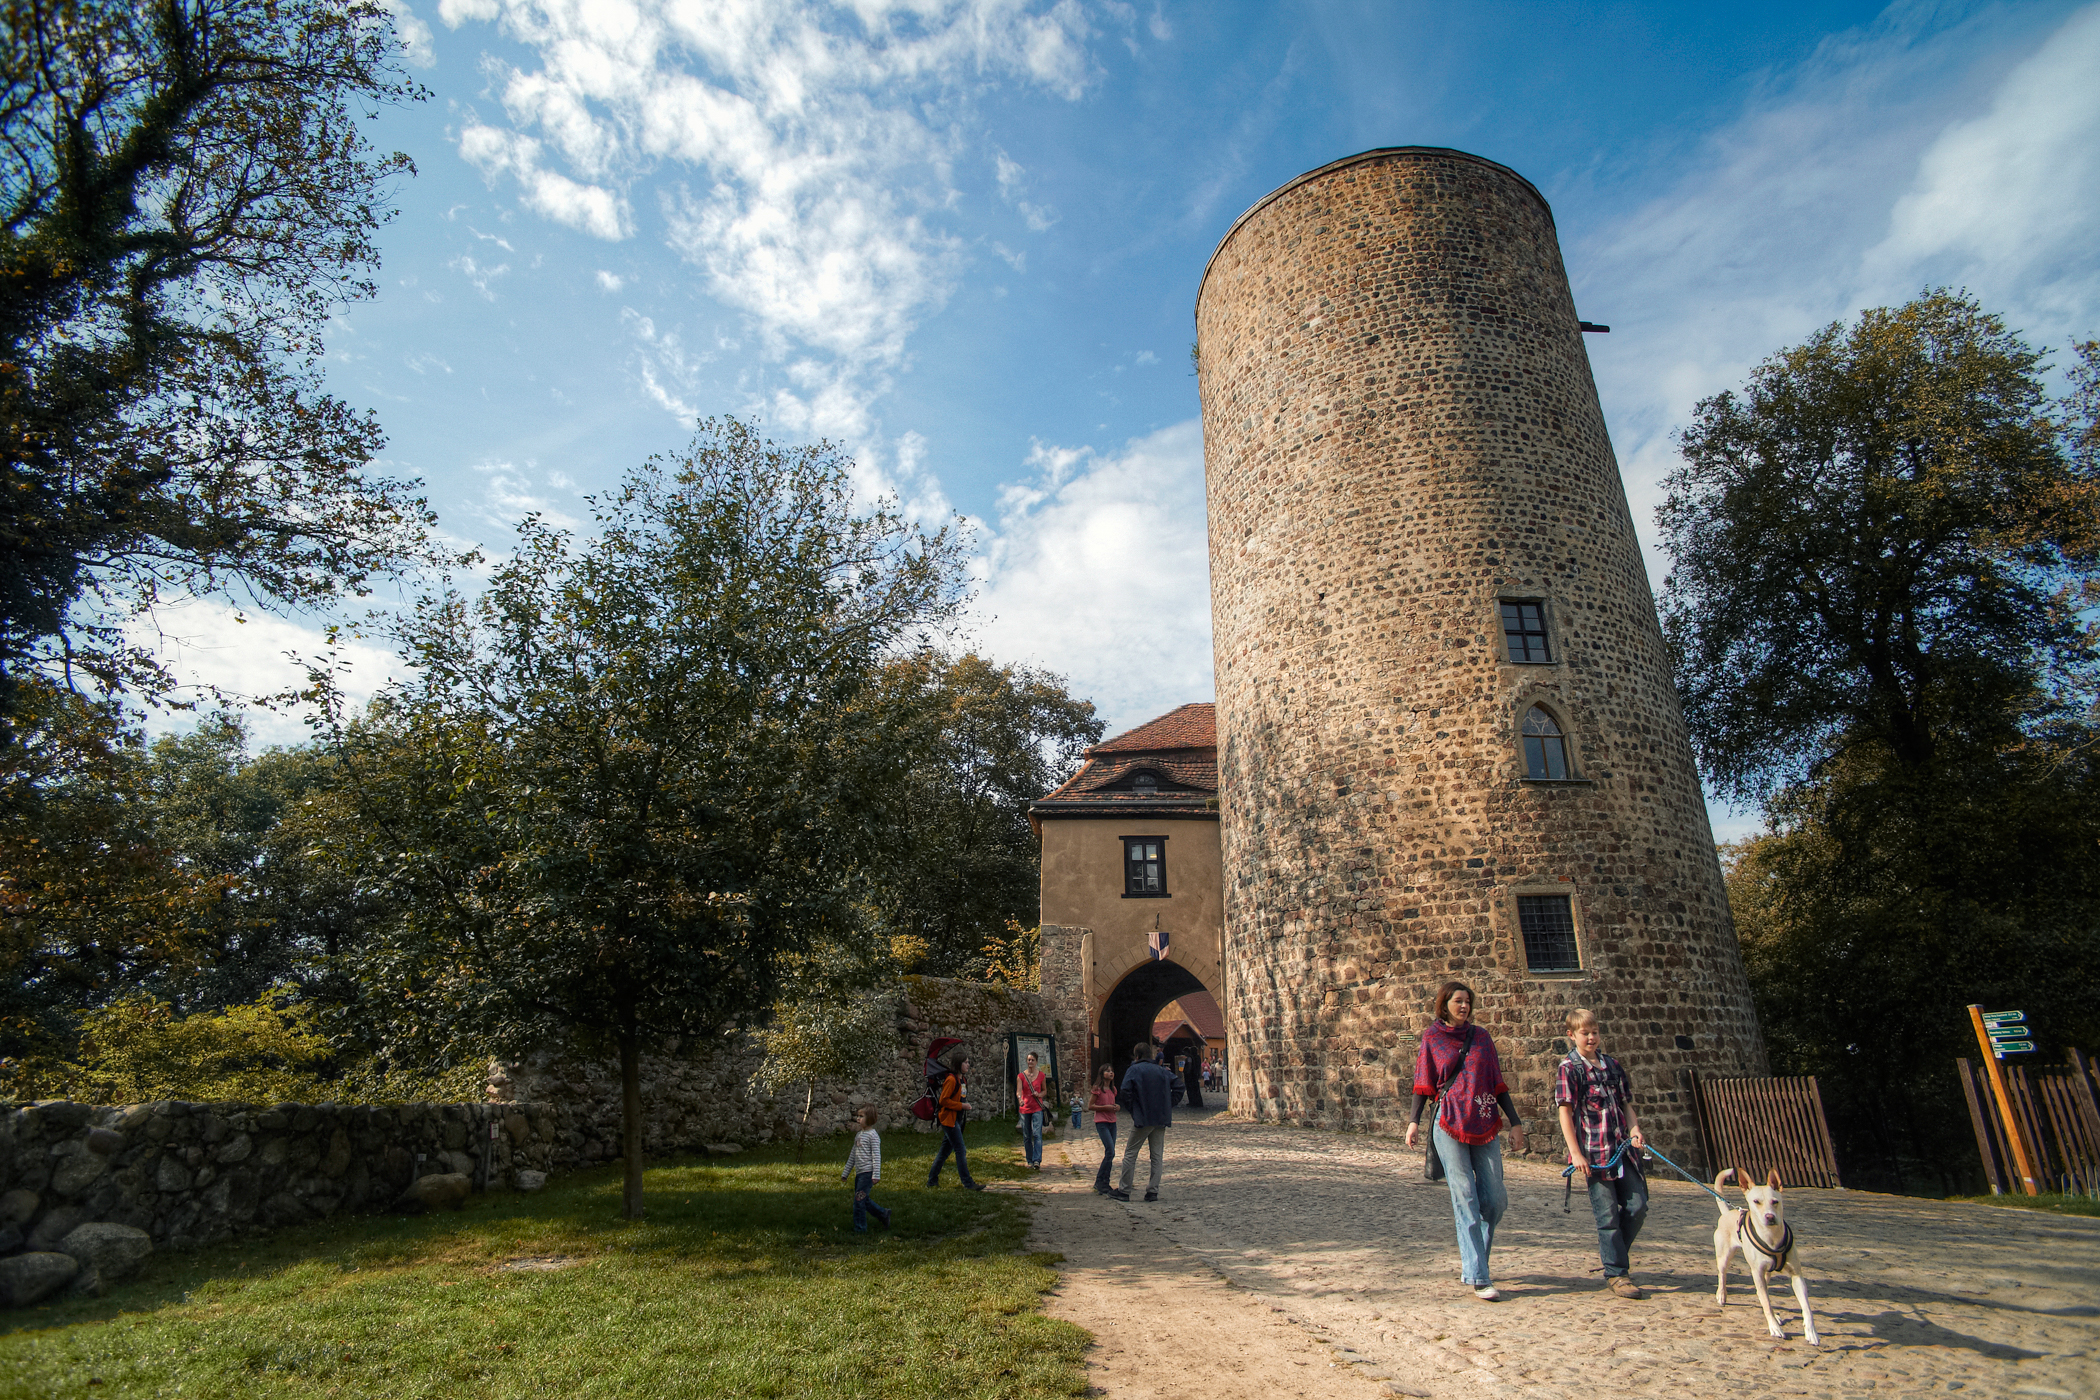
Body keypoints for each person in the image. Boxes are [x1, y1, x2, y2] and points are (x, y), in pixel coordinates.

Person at [1406, 981, 1528, 1301]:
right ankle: (1478, 1274)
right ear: (1444, 1004)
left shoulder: (1483, 1038)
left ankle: (1476, 1263)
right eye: (1457, 1001)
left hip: (1484, 1119)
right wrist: (1413, 1122)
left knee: (1494, 1199)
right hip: (1448, 1122)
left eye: (1468, 1001)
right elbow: (1423, 1082)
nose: (1464, 1006)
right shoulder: (1433, 1037)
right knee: (1464, 1196)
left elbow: (1497, 1083)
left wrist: (1515, 1123)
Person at [1555, 1008, 1649, 1299]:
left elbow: (1625, 1104)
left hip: (1622, 1149)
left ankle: (1615, 1254)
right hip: (1594, 1154)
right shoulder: (1569, 1068)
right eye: (1585, 1033)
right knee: (1607, 1216)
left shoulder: (1612, 1065)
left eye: (1595, 1032)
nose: (1592, 1037)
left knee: (1638, 1206)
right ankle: (1617, 1273)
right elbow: (1565, 1113)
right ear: (1572, 1035)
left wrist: (1635, 1130)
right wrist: (1575, 1154)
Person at [1111, 1041, 1176, 1202]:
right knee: (1156, 1156)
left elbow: (1125, 1091)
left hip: (1143, 1118)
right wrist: (1168, 1104)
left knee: (1130, 1154)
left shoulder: (1134, 1069)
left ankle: (1124, 1190)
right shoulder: (1161, 1070)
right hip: (1160, 1118)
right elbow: (1179, 1086)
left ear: (1137, 1056)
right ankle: (1153, 1191)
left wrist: (1133, 1109)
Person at [927, 1055, 984, 1190]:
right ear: (958, 1064)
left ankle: (932, 1180)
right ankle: (968, 1183)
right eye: (965, 1062)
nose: (968, 1065)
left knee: (944, 1152)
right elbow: (943, 1100)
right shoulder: (951, 1080)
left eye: (968, 1062)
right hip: (949, 1119)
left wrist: (962, 1107)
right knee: (960, 1150)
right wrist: (961, 1106)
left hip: (957, 1119)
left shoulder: (962, 1080)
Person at [842, 1106, 891, 1232]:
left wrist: (876, 1174)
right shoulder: (859, 1135)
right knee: (863, 1199)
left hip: (867, 1173)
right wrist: (845, 1173)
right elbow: (853, 1155)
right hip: (859, 1173)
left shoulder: (873, 1136)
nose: (858, 1119)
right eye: (857, 1116)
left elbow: (876, 1155)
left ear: (870, 1119)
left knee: (859, 1201)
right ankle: (883, 1214)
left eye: (861, 1116)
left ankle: (860, 1228)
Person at [1087, 1064, 1120, 1194]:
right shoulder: (1097, 1089)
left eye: (1112, 1071)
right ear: (1102, 1074)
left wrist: (1116, 1107)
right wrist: (1105, 1107)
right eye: (1107, 1071)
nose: (1110, 1073)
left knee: (1110, 1153)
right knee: (1110, 1150)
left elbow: (1113, 1104)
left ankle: (1105, 1181)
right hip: (1102, 1122)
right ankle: (1100, 1181)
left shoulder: (1113, 1090)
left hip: (1112, 1122)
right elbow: (1091, 1106)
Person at [1016, 1050, 1049, 1171]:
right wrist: (1020, 1099)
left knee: (1037, 1133)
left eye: (1032, 1060)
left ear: (1036, 1062)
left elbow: (1045, 1090)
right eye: (1029, 1060)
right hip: (1025, 1108)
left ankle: (1037, 1160)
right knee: (1027, 1135)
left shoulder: (1041, 1076)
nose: (1030, 1062)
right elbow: (1018, 1091)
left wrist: (1039, 1094)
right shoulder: (1021, 1076)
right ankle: (1029, 1159)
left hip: (1037, 1108)